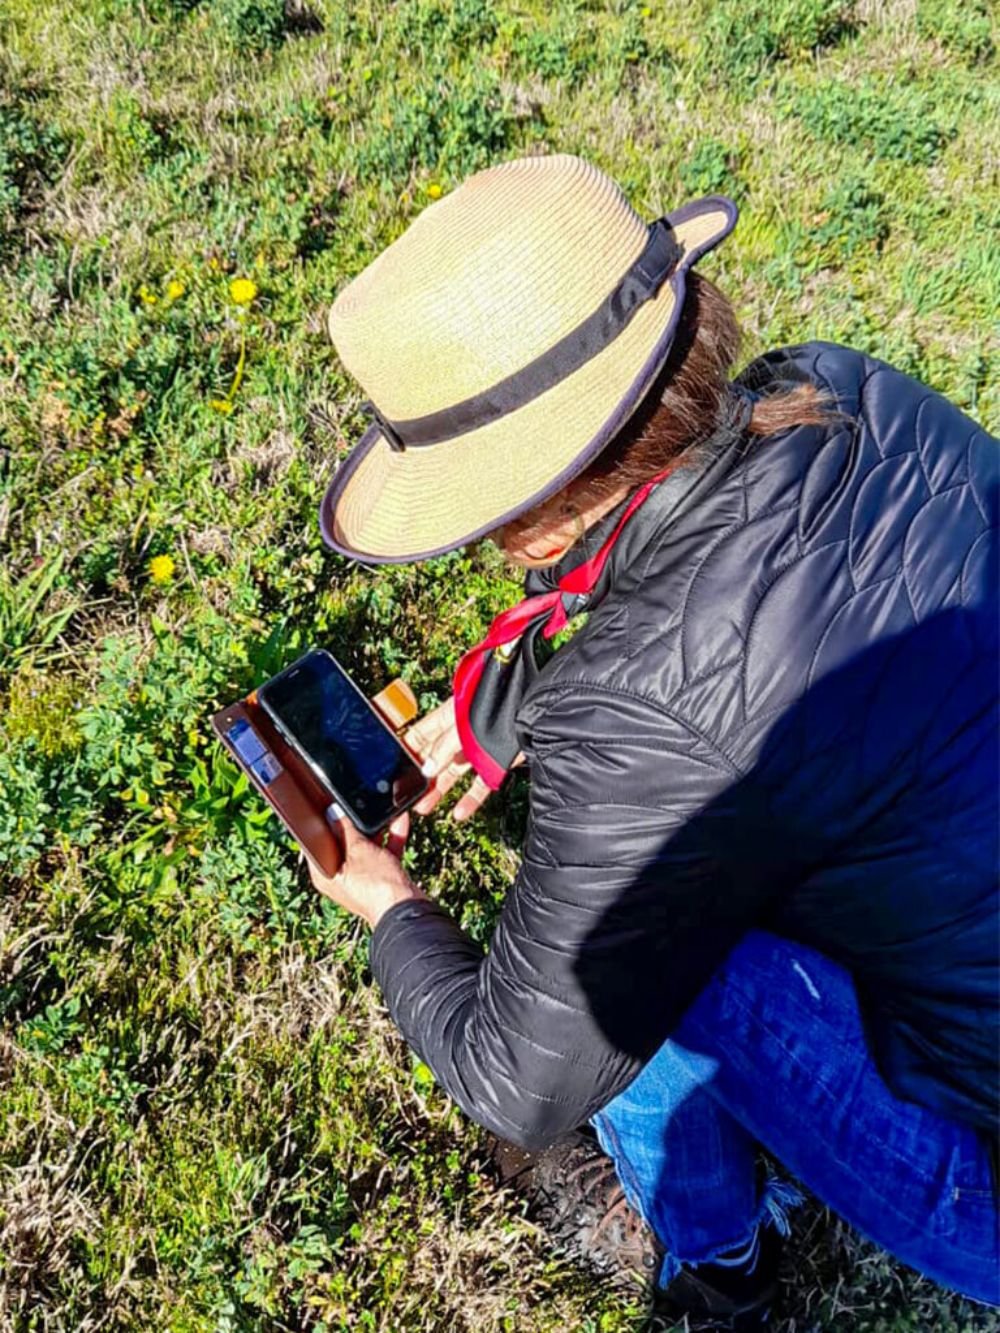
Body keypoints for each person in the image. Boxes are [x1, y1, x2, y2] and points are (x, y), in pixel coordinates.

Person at [307, 153, 999, 1327]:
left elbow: (515, 1082)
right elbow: (706, 594)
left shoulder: (636, 717)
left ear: (528, 523)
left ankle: (716, 1268)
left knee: (637, 955)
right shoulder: (838, 386)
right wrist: (490, 715)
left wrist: (386, 902)